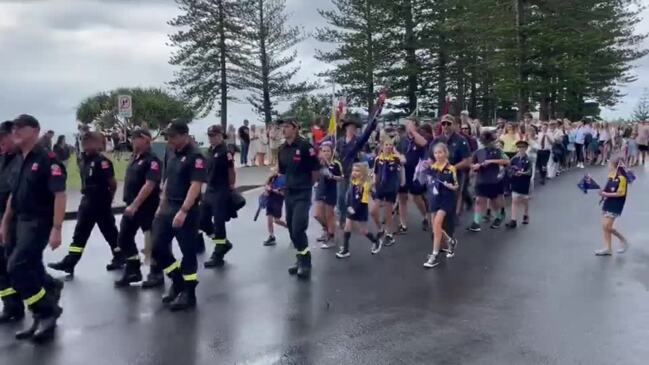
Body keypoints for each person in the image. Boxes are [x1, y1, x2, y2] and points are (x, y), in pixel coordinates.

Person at [1, 114, 66, 341]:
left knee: (16, 267)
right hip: (19, 220)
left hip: (38, 221)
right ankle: (44, 304)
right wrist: (5, 223)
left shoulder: (48, 159)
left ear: (35, 130)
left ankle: (47, 311)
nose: (16, 131)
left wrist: (57, 228)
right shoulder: (19, 159)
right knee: (31, 267)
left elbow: (59, 195)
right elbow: (13, 195)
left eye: (21, 127)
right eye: (14, 128)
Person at [48, 132, 121, 278]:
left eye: (91, 141)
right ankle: (70, 262)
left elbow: (112, 183)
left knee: (110, 233)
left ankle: (120, 256)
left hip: (100, 202)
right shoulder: (83, 160)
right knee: (80, 234)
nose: (87, 145)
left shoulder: (103, 161)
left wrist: (109, 199)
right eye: (85, 141)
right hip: (87, 201)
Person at [114, 129, 162, 288]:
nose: (132, 140)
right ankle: (133, 269)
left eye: (136, 138)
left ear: (146, 140)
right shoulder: (135, 157)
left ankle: (156, 273)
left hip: (147, 207)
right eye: (132, 138)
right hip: (131, 206)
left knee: (151, 242)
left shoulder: (152, 160)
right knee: (123, 238)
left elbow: (150, 184)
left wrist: (135, 204)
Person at [277, 118, 320, 278]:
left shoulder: (304, 146)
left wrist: (309, 186)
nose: (284, 129)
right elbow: (281, 172)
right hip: (288, 193)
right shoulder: (282, 149)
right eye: (283, 127)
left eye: (287, 126)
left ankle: (305, 262)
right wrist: (279, 186)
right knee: (291, 228)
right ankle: (300, 256)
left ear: (295, 129)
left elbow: (315, 169)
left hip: (303, 192)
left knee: (298, 227)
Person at [201, 125, 237, 268]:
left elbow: (231, 170)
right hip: (210, 189)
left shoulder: (225, 151)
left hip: (221, 189)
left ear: (220, 136)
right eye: (210, 136)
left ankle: (218, 253)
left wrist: (231, 185)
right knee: (202, 220)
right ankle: (222, 243)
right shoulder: (209, 151)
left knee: (219, 222)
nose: (211, 138)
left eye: (214, 136)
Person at [420, 143, 459, 268]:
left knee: (437, 223)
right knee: (435, 226)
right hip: (434, 199)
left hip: (446, 199)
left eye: (440, 152)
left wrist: (450, 186)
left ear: (445, 153)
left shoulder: (451, 168)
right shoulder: (432, 168)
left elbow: (456, 185)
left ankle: (434, 255)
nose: (438, 155)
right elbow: (426, 181)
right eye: (436, 153)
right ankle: (450, 241)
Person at [0, 121, 22, 323]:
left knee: (18, 265)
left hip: (14, 221)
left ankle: (47, 293)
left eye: (2, 138)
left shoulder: (20, 160)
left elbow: (12, 195)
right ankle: (11, 305)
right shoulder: (3, 159)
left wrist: (4, 225)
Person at [335, 162, 382, 258]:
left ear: (363, 172)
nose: (355, 173)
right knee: (347, 227)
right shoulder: (353, 181)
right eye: (353, 170)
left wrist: (354, 209)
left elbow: (363, 201)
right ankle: (345, 249)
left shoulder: (365, 185)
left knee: (363, 230)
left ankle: (376, 241)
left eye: (357, 171)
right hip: (351, 208)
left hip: (360, 210)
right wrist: (348, 205)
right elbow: (349, 194)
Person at [467, 130, 510, 232]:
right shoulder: (478, 152)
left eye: (491, 141)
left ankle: (499, 216)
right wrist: (474, 167)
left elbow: (507, 161)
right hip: (481, 180)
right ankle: (476, 223)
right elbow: (472, 164)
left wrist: (491, 161)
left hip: (494, 180)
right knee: (478, 201)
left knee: (494, 201)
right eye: (487, 141)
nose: (490, 143)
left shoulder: (498, 151)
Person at [400, 119, 433, 233]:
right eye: (407, 124)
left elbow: (424, 143)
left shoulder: (420, 137)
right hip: (404, 171)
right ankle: (403, 225)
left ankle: (425, 216)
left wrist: (413, 132)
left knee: (416, 197)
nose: (408, 126)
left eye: (411, 124)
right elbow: (399, 151)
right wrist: (400, 157)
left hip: (416, 173)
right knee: (402, 198)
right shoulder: (403, 140)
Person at [370, 138, 403, 248]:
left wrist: (396, 152)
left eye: (391, 145)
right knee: (373, 211)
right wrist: (373, 182)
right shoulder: (378, 159)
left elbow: (403, 162)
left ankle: (389, 234)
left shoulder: (395, 158)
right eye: (386, 144)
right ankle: (381, 229)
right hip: (380, 187)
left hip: (390, 188)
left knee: (388, 212)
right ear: (382, 146)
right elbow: (375, 172)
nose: (388, 146)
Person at [596, 157, 630, 256]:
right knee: (604, 226)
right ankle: (607, 248)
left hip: (616, 204)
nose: (608, 166)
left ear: (616, 166)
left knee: (608, 226)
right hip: (608, 202)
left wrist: (605, 194)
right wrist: (602, 192)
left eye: (610, 164)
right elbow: (608, 188)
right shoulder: (611, 175)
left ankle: (623, 240)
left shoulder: (622, 178)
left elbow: (620, 193)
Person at [314, 141, 343, 249]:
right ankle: (326, 230)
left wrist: (332, 176)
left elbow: (341, 177)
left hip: (330, 190)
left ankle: (331, 237)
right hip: (320, 189)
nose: (325, 153)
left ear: (332, 152)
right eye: (323, 151)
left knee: (329, 215)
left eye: (328, 151)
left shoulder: (335, 163)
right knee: (317, 215)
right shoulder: (319, 163)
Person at [505, 140, 533, 228]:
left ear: (526, 148)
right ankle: (513, 220)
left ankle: (526, 214)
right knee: (515, 199)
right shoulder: (514, 158)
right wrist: (513, 173)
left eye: (523, 147)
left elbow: (530, 172)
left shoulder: (528, 160)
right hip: (515, 181)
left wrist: (523, 173)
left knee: (525, 200)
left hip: (524, 182)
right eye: (519, 147)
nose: (521, 149)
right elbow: (508, 168)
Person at [262, 167, 288, 246]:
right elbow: (265, 184)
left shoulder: (284, 179)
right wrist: (267, 187)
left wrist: (273, 190)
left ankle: (289, 227)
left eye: (277, 169)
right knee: (269, 219)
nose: (275, 171)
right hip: (270, 200)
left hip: (277, 201)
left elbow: (283, 193)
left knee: (276, 220)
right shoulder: (273, 177)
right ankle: (271, 236)